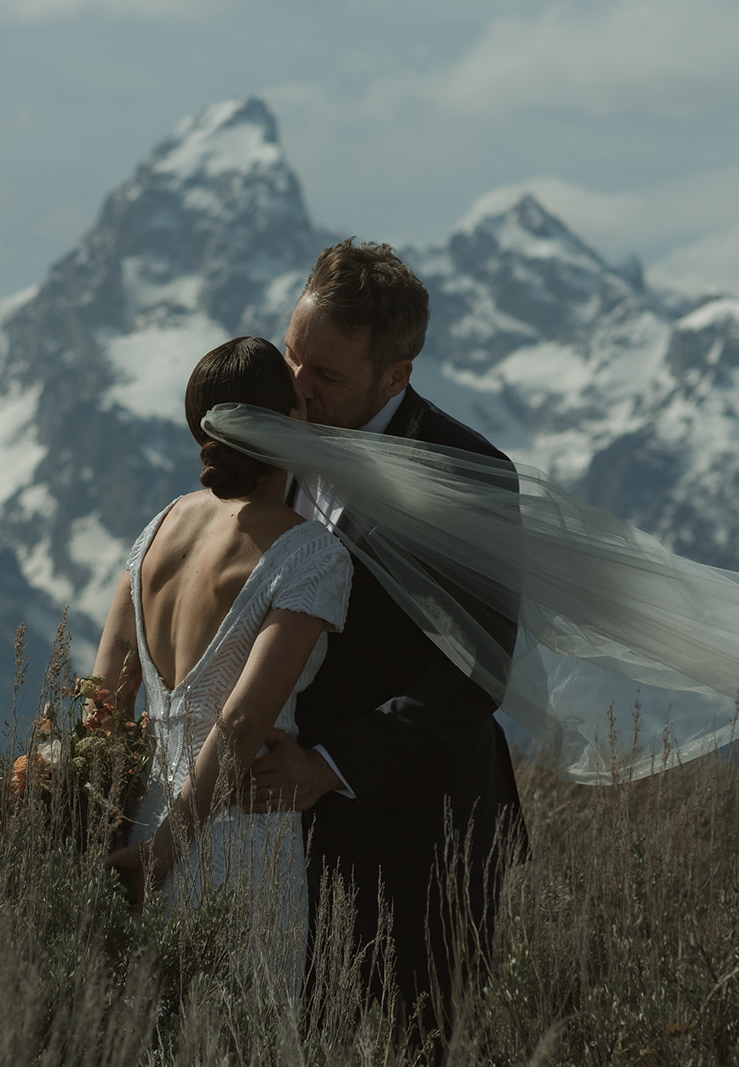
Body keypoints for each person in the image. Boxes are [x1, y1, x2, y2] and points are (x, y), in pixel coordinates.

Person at [245, 239, 529, 1034]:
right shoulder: (274, 432)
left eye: (326, 375)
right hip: (281, 840)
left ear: (395, 376)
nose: (298, 388)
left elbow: (477, 671)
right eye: (295, 356)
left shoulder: (468, 472)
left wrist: (327, 768)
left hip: (424, 832)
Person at [100, 335, 353, 996]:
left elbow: (104, 697)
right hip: (236, 840)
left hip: (141, 828)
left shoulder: (155, 531)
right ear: (284, 424)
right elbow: (241, 720)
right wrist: (165, 857)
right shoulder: (310, 554)